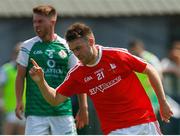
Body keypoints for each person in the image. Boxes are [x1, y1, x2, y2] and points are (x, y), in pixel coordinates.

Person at [29, 22, 173, 135]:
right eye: (72, 50)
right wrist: (41, 82)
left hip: (145, 122)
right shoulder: (77, 74)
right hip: (115, 130)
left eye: (78, 48)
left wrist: (162, 102)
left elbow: (150, 69)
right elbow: (55, 99)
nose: (76, 54)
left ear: (91, 41)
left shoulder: (117, 55)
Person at [15, 6, 88, 135]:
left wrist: (83, 107)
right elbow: (20, 76)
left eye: (40, 21)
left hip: (62, 112)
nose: (36, 25)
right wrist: (19, 100)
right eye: (34, 22)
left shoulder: (66, 47)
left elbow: (78, 78)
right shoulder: (27, 46)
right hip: (36, 113)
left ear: (52, 22)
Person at [128, 39, 162, 114]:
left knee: (151, 117)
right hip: (137, 94)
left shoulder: (149, 58)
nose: (133, 51)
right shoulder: (130, 58)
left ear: (140, 47)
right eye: (132, 49)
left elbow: (158, 72)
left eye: (135, 48)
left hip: (151, 94)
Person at [0, 43, 25, 135]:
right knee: (8, 132)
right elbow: (1, 86)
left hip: (25, 108)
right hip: (9, 107)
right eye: (18, 53)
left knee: (22, 133)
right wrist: (1, 101)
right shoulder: (6, 69)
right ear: (14, 54)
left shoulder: (28, 69)